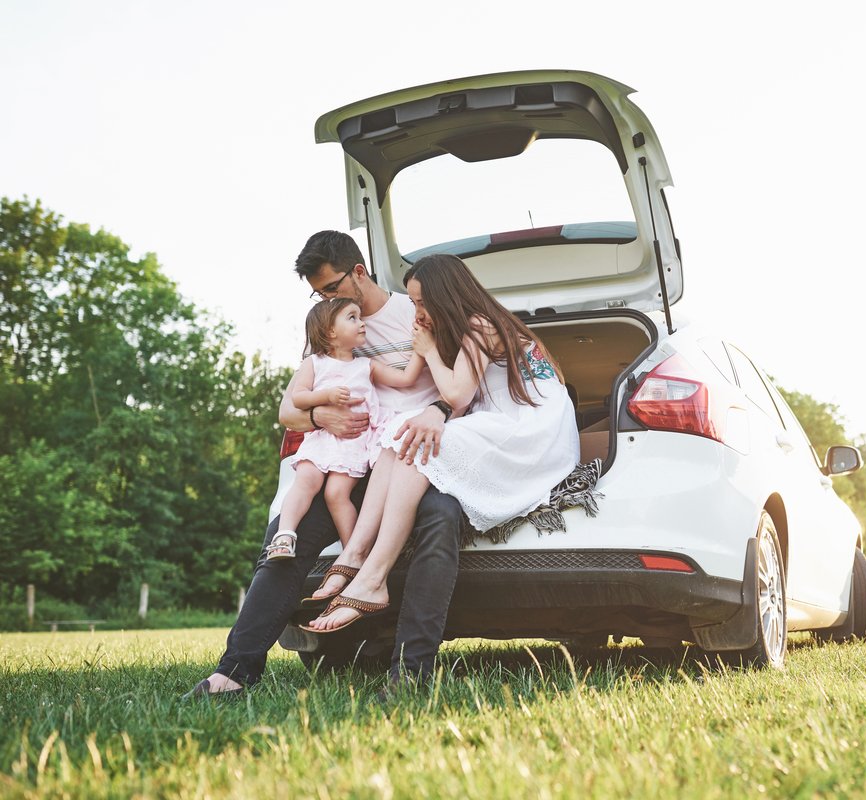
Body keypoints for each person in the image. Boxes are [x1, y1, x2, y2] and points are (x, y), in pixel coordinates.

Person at [185, 231, 462, 698]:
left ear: (358, 272)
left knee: (441, 518)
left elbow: (461, 387)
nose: (326, 299)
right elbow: (289, 409)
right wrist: (320, 415)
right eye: (319, 294)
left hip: (413, 455)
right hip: (350, 459)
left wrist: (438, 411)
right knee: (286, 537)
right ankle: (234, 671)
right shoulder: (329, 327)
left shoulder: (413, 313)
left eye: (332, 288)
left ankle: (410, 673)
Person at [300, 253, 580, 639]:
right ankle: (354, 557)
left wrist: (428, 350)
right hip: (517, 423)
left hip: (530, 431)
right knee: (401, 432)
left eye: (419, 302)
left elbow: (458, 395)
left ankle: (373, 575)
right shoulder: (480, 325)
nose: (416, 312)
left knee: (417, 443)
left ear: (444, 296)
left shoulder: (481, 326)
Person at [266, 298, 426, 560]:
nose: (362, 323)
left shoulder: (366, 366)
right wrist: (327, 396)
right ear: (330, 331)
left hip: (352, 443)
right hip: (321, 439)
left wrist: (421, 350)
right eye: (352, 318)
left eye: (360, 317)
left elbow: (406, 379)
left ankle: (353, 554)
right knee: (306, 481)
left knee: (336, 494)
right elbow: (299, 397)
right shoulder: (314, 364)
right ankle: (284, 535)